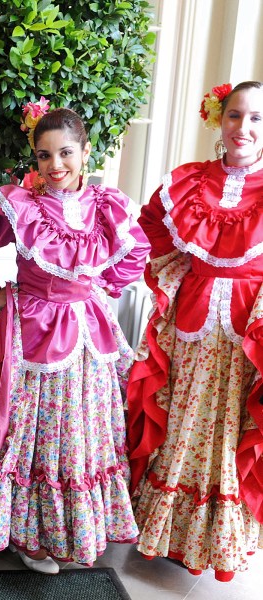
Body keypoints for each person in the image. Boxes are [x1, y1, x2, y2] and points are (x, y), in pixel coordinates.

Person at [0, 105, 149, 574]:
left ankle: (71, 528)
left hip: (85, 331)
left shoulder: (108, 206)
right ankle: (31, 533)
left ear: (86, 152)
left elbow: (131, 260)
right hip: (30, 330)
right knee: (31, 429)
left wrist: (93, 290)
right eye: (44, 155)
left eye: (66, 153)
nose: (55, 166)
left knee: (78, 429)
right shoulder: (20, 204)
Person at [128, 81, 263, 582]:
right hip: (190, 323)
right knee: (181, 416)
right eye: (234, 116)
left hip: (247, 333)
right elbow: (153, 231)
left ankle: (219, 541)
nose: (243, 128)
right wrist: (177, 278)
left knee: (230, 430)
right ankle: (167, 533)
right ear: (218, 119)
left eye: (255, 119)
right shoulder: (189, 181)